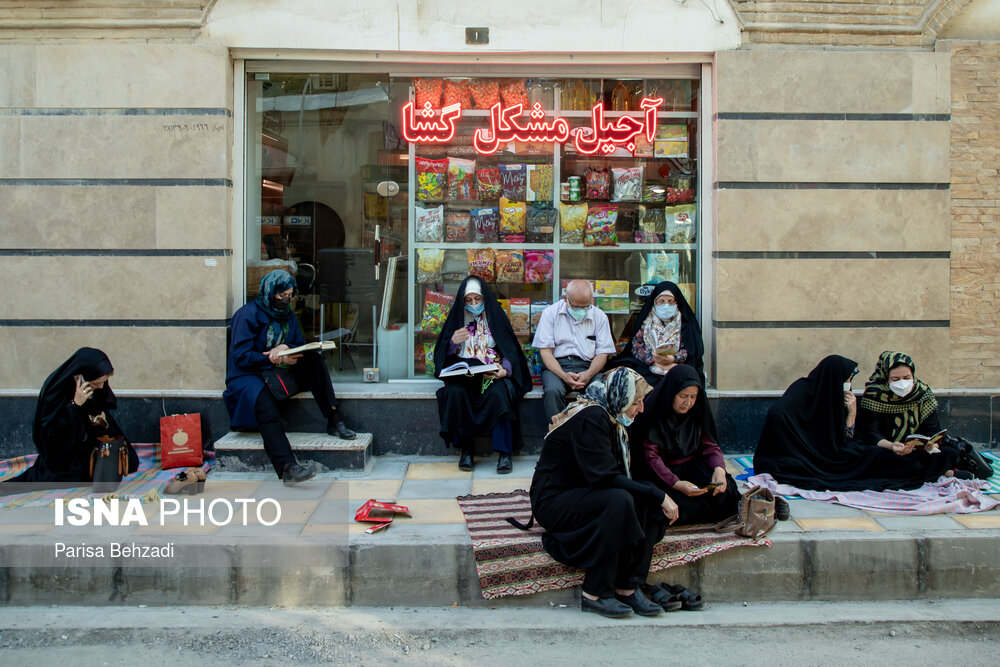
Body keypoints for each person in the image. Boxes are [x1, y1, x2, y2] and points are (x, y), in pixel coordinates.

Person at [529, 367, 686, 618]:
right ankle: (595, 593)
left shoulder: (610, 415)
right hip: (553, 501)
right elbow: (604, 477)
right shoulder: (592, 417)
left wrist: (655, 496)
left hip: (583, 491)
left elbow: (614, 476)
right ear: (620, 398)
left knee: (646, 503)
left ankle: (628, 585)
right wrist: (659, 494)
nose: (641, 408)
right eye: (637, 402)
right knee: (620, 501)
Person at [754, 354, 961, 492]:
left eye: (907, 377)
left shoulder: (837, 396)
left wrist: (851, 413)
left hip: (839, 455)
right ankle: (936, 470)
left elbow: (847, 439)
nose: (849, 384)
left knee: (879, 456)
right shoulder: (797, 398)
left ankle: (939, 466)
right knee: (876, 458)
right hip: (817, 461)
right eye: (848, 378)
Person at [224, 269, 356, 486]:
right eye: (281, 295)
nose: (285, 300)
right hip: (248, 373)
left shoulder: (287, 316)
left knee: (313, 361)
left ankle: (334, 419)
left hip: (277, 368)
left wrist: (286, 348)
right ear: (270, 292)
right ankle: (287, 466)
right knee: (264, 404)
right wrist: (271, 359)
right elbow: (240, 356)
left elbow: (297, 342)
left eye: (289, 295)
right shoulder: (247, 314)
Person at [1, 347, 138, 491]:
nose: (101, 387)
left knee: (129, 461)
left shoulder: (96, 387)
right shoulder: (55, 391)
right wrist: (75, 405)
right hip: (61, 454)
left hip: (89, 447)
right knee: (72, 475)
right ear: (82, 378)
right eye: (96, 383)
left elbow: (103, 408)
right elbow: (51, 435)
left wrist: (99, 418)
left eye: (104, 382)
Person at [433, 276, 531, 473]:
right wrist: (452, 342)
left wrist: (505, 369)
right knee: (455, 394)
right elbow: (440, 354)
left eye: (477, 299)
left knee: (500, 395)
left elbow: (510, 349)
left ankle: (504, 454)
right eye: (468, 301)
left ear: (485, 298)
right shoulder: (456, 320)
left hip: (490, 375)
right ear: (462, 301)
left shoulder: (496, 316)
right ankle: (467, 451)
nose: (474, 304)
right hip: (463, 376)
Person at [628, 364, 743, 526]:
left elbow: (709, 445)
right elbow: (651, 458)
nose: (687, 403)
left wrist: (719, 469)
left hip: (691, 467)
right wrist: (677, 484)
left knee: (725, 491)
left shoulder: (696, 413)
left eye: (693, 397)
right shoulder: (655, 415)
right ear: (671, 393)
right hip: (662, 476)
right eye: (683, 396)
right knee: (660, 505)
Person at [532, 279, 616, 422]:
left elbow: (603, 353)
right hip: (557, 367)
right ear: (565, 299)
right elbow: (546, 352)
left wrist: (589, 374)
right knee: (553, 390)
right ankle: (557, 435)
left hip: (589, 366)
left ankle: (593, 436)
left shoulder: (599, 316)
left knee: (601, 389)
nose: (581, 311)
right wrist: (563, 375)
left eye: (586, 306)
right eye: (576, 307)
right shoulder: (550, 313)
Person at [608, 281, 704, 386]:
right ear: (654, 302)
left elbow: (690, 350)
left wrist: (673, 359)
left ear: (677, 303)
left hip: (677, 367)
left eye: (671, 301)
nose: (666, 305)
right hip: (648, 366)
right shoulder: (645, 322)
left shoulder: (685, 324)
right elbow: (636, 346)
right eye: (661, 301)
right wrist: (652, 359)